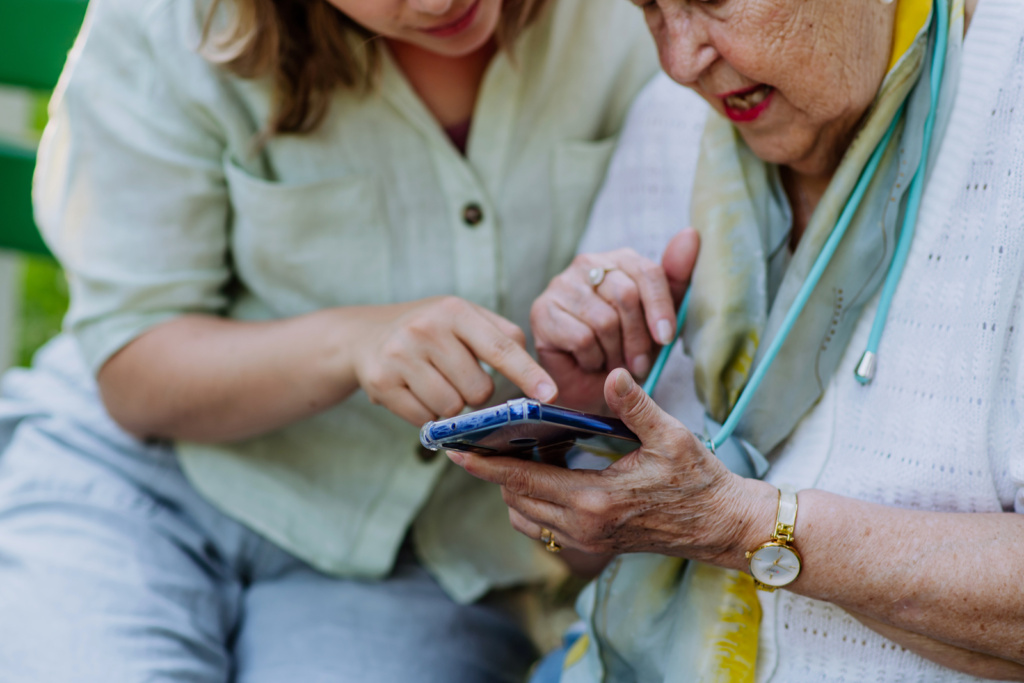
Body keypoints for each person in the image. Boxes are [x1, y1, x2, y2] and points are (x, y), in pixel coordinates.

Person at [0, 0, 658, 680]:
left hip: (421, 553)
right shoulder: (169, 20)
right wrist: (352, 341)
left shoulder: (636, 22)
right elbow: (133, 370)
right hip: (141, 485)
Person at [448, 0, 1024, 680]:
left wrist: (741, 528)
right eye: (650, 10)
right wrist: (578, 420)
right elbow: (588, 558)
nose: (679, 60)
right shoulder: (675, 116)